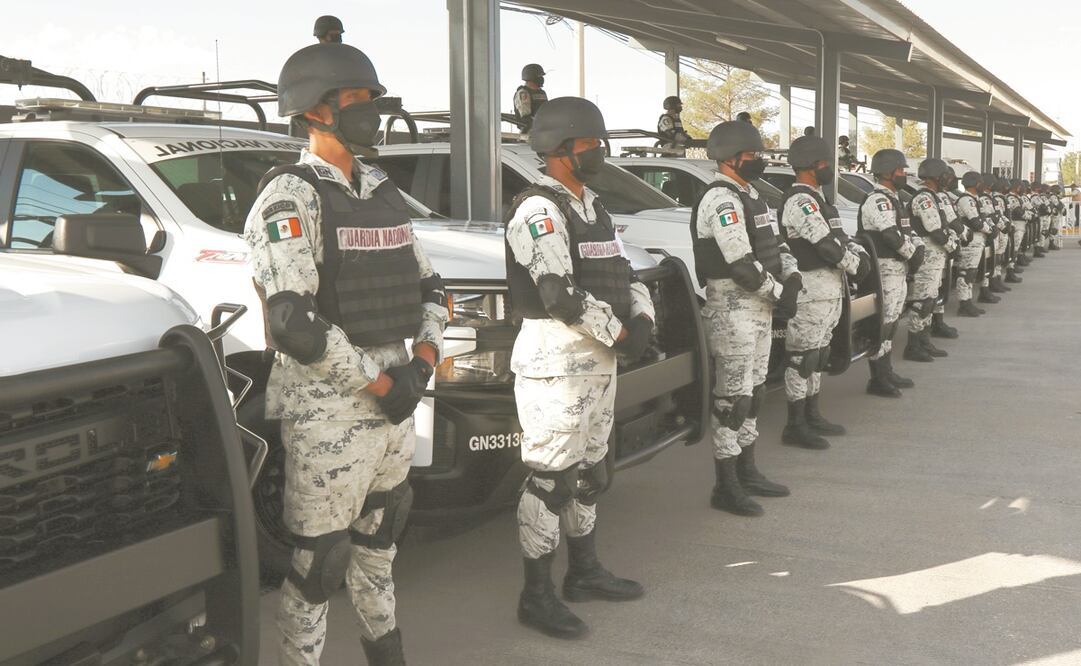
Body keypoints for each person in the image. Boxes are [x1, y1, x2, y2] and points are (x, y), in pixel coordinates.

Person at [245, 43, 448, 665]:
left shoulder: (383, 191)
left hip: (397, 401)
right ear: (314, 110)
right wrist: (382, 384)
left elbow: (430, 288)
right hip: (333, 412)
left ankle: (387, 655)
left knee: (382, 542)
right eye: (358, 100)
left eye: (372, 99)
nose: (373, 111)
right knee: (318, 564)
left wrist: (422, 361)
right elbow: (296, 324)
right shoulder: (290, 197)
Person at [505, 96, 652, 639]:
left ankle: (584, 571)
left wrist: (644, 318)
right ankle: (535, 594)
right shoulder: (539, 211)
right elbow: (560, 295)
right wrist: (621, 332)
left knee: (588, 473)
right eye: (592, 144)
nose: (601, 152)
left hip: (599, 359)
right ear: (562, 149)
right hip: (558, 362)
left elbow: (623, 271)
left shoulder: (595, 205)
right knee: (551, 480)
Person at [691, 120, 798, 515]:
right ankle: (726, 484)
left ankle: (748, 469)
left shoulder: (750, 195)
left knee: (753, 396)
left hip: (760, 308)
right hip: (734, 309)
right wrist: (780, 293)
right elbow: (742, 265)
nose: (760, 160)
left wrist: (794, 278)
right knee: (731, 400)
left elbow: (776, 243)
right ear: (731, 157)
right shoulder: (721, 200)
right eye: (753, 155)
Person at [778, 136, 871, 449]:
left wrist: (859, 253)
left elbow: (842, 237)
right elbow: (826, 246)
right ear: (810, 166)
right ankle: (795, 423)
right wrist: (856, 265)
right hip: (810, 289)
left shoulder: (820, 200)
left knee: (818, 356)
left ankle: (812, 413)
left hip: (828, 290)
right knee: (802, 358)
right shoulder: (800, 202)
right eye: (824, 164)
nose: (829, 168)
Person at [859, 149, 924, 396]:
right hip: (885, 269)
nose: (903, 174)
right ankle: (877, 379)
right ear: (886, 172)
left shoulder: (895, 199)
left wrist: (917, 249)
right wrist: (912, 252)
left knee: (892, 323)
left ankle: (886, 371)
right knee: (882, 324)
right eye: (899, 170)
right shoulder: (879, 200)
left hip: (898, 269)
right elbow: (890, 235)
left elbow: (907, 231)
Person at [904, 158, 959, 361]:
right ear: (935, 176)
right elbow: (935, 230)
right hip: (927, 259)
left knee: (930, 300)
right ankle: (913, 345)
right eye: (945, 174)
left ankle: (924, 341)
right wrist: (952, 247)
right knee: (922, 302)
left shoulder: (934, 197)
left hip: (935, 258)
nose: (948, 178)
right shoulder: (924, 199)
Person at [955, 172, 994, 314]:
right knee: (967, 272)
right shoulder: (966, 200)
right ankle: (964, 304)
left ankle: (968, 301)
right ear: (974, 183)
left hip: (978, 240)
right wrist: (990, 230)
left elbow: (984, 217)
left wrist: (990, 228)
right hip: (970, 241)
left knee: (973, 272)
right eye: (980, 182)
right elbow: (975, 222)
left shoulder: (975, 199)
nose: (982, 185)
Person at [988, 178, 1012, 294]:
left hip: (1002, 229)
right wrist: (1005, 226)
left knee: (1000, 255)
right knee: (997, 256)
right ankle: (994, 281)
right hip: (999, 230)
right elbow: (998, 215)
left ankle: (997, 280)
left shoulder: (1000, 197)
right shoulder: (997, 198)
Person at [513, 63, 548, 135]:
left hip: (543, 130)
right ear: (531, 77)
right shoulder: (523, 93)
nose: (541, 79)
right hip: (530, 132)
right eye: (539, 76)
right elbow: (525, 118)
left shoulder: (542, 92)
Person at [1004, 179, 1026, 283]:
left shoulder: (1017, 197)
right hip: (1016, 225)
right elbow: (1018, 212)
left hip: (1020, 225)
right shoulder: (1011, 197)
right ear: (1016, 187)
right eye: (1021, 187)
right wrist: (1028, 215)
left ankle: (1013, 267)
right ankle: (1010, 271)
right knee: (1013, 249)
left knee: (1015, 249)